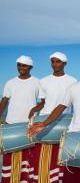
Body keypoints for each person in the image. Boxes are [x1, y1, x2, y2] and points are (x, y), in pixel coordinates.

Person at [28, 52, 77, 183]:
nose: (55, 64)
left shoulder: (72, 81)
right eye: (53, 61)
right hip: (45, 121)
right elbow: (43, 102)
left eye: (58, 61)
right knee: (42, 156)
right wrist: (34, 109)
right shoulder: (43, 81)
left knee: (61, 156)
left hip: (64, 122)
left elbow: (75, 103)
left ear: (64, 63)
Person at [0, 55, 42, 183]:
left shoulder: (37, 82)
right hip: (11, 124)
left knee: (28, 157)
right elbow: (4, 101)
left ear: (30, 67)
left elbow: (43, 102)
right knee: (9, 157)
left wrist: (35, 110)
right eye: (19, 65)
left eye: (23, 65)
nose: (21, 68)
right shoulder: (10, 82)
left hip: (28, 125)